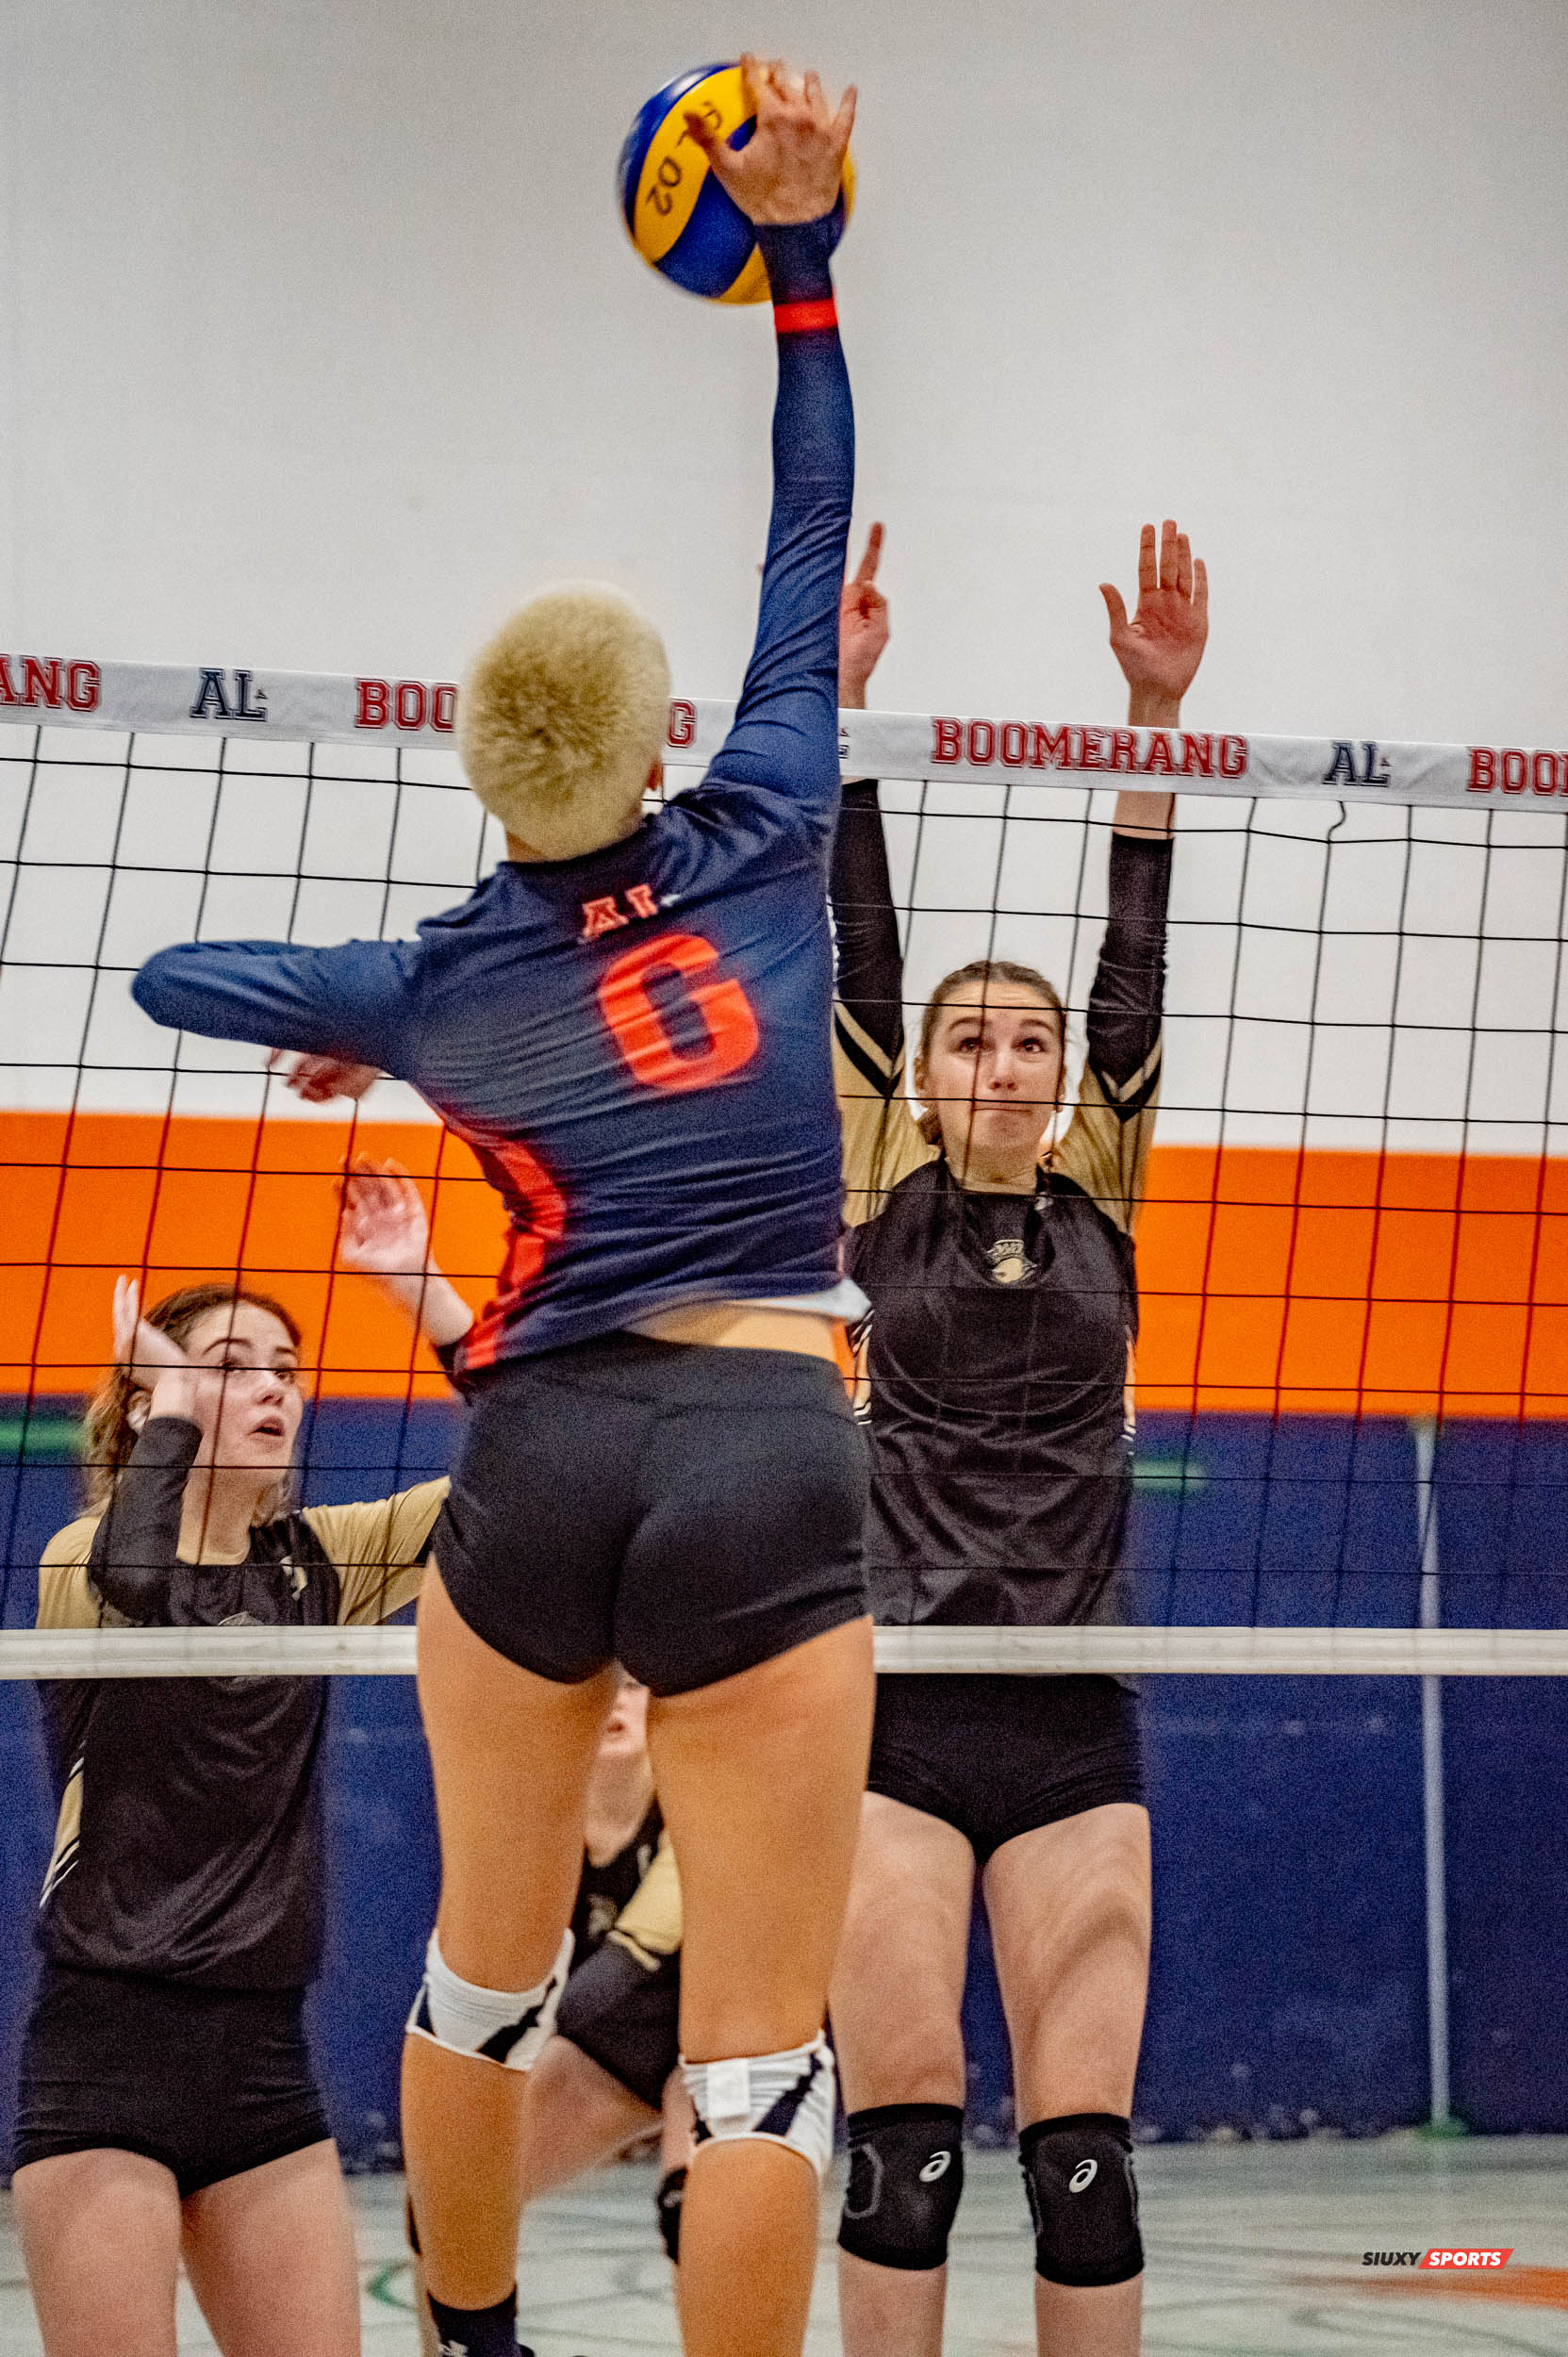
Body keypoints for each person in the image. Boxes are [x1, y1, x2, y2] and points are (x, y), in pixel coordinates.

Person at [128, 58, 870, 2357]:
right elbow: (806, 516)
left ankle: (462, 2333)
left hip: (536, 1454)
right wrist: (806, 269)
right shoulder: (759, 816)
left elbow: (174, 973)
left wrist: (358, 1008)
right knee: (753, 2044)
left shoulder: (450, 984)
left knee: (483, 1954)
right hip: (761, 1445)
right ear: (658, 736)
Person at [826, 519, 1209, 2357]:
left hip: (1072, 1719)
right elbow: (856, 943)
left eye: (1023, 1041)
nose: (994, 1058)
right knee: (900, 2151)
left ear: (1058, 1084)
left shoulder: (1101, 1209)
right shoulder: (874, 1196)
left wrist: (1151, 723)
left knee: (1084, 2164)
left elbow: (1132, 966)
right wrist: (845, 717)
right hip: (894, 1715)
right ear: (922, 1076)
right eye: (964, 1037)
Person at [12, 1263, 449, 2357]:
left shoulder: (321, 1562)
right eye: (227, 1367)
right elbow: (138, 1583)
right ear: (147, 1402)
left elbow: (522, 1489)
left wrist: (429, 1297)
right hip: (107, 2053)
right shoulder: (81, 1559)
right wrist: (169, 1411)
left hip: (262, 2063)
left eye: (285, 1370)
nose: (271, 1388)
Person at [341, 1162, 690, 2354]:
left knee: (728, 2103)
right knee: (452, 2195)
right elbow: (523, 1435)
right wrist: (418, 1286)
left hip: (699, 2008)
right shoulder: (538, 1741)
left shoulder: (708, 1736)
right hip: (588, 2033)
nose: (621, 1697)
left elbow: (657, 1942)